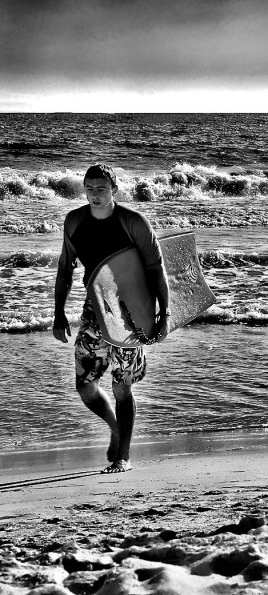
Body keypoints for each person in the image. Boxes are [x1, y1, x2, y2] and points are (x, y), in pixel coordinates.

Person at [52, 164, 170, 474]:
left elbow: (157, 269)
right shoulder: (75, 221)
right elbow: (66, 268)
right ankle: (115, 427)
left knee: (122, 387)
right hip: (95, 311)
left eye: (101, 188)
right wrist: (58, 313)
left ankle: (124, 457)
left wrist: (164, 314)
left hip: (130, 315)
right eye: (89, 188)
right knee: (85, 385)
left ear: (114, 189)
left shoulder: (133, 222)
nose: (94, 194)